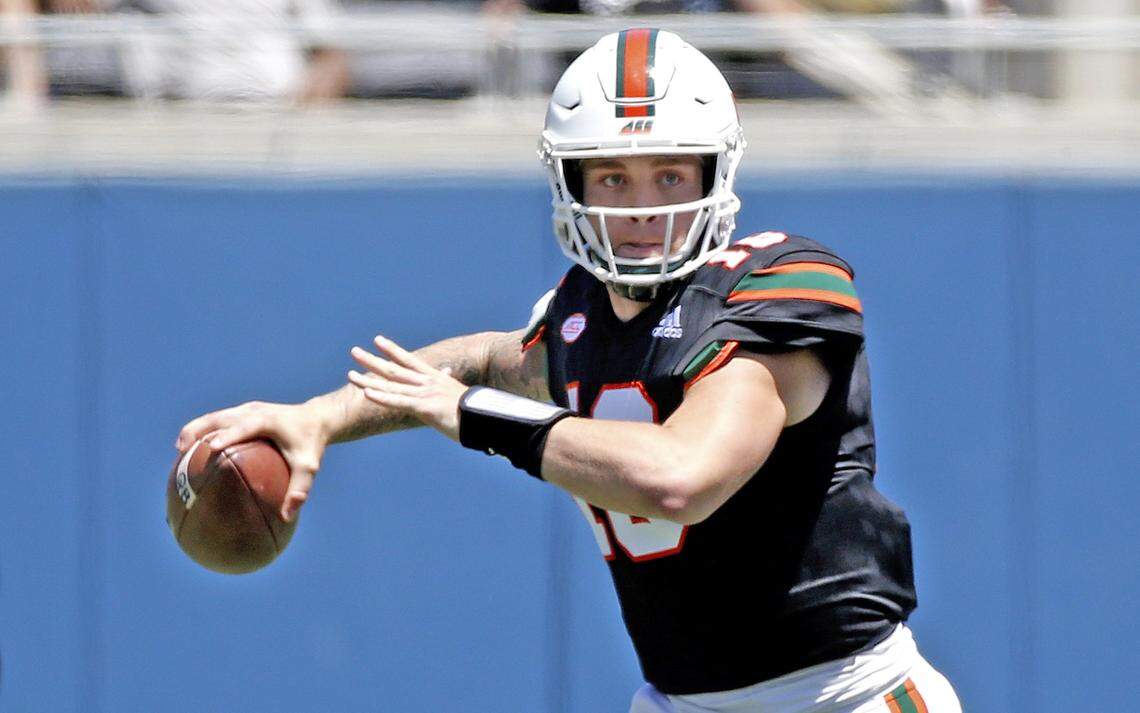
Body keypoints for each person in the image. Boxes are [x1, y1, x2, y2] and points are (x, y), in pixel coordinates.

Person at [177, 29, 962, 712]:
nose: (642, 207)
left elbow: (681, 478)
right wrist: (319, 416)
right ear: (572, 183)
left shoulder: (773, 289)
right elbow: (487, 358)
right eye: (614, 177)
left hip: (842, 698)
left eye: (669, 175)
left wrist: (473, 414)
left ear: (712, 174)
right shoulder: (581, 316)